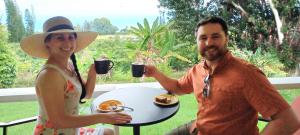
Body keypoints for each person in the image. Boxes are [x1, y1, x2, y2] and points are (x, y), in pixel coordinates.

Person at [144, 16, 300, 135]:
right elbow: (177, 87)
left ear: (227, 38)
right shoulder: (198, 70)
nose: (209, 42)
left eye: (215, 36)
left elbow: (288, 120)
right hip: (198, 128)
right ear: (197, 42)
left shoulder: (247, 74)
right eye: (203, 38)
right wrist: (155, 73)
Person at [20, 16, 132, 135]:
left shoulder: (68, 66)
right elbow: (58, 121)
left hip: (72, 131)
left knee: (108, 132)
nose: (67, 42)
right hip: (53, 132)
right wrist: (103, 117)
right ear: (47, 43)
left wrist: (92, 71)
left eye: (71, 37)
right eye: (60, 38)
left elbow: (87, 94)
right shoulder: (50, 75)